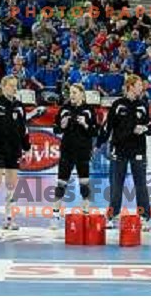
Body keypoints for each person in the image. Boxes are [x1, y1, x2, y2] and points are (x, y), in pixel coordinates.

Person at [96, 75, 151, 230]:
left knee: (141, 185)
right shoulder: (118, 104)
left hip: (138, 150)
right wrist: (98, 144)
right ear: (130, 86)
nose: (142, 87)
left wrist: (145, 129)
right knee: (116, 186)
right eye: (139, 84)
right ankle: (112, 215)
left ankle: (144, 217)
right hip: (119, 150)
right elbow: (107, 127)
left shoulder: (143, 105)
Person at [0, 75, 31, 231]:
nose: (14, 88)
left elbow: (24, 129)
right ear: (3, 87)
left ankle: (9, 219)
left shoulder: (19, 106)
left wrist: (27, 147)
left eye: (15, 86)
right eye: (11, 85)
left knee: (11, 185)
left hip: (14, 149)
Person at [52, 84, 98, 225]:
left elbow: (95, 132)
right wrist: (62, 125)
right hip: (67, 150)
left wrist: (85, 124)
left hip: (83, 151)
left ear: (82, 94)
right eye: (70, 92)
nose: (72, 95)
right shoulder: (64, 109)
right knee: (61, 183)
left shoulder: (89, 110)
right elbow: (56, 129)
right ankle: (55, 215)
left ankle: (85, 213)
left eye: (75, 92)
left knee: (84, 183)